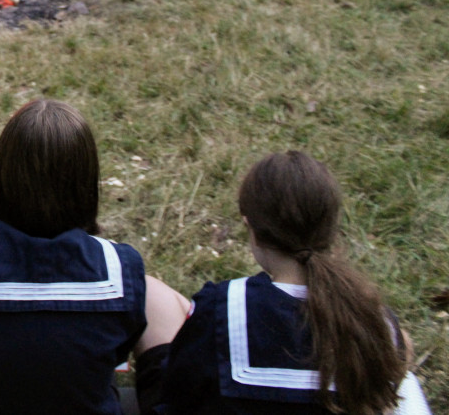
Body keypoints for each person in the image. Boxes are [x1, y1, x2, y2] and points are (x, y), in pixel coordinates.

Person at [0, 99, 189, 415]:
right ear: (87, 181)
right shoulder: (123, 268)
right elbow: (121, 344)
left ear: (1, 176)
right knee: (159, 300)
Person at [161, 151, 411, 414]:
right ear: (332, 228)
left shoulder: (223, 308)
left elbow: (178, 391)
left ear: (250, 226)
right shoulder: (378, 323)